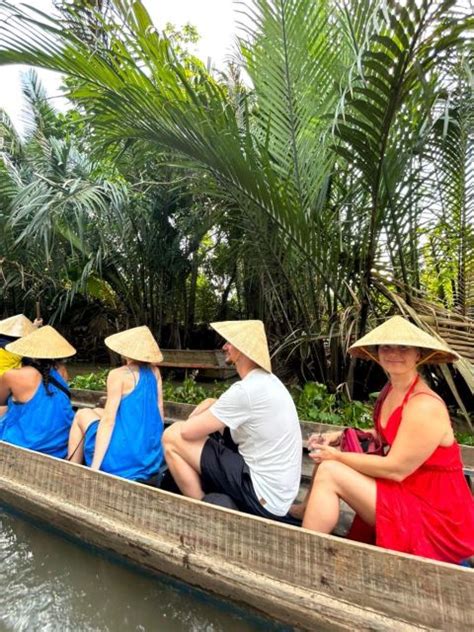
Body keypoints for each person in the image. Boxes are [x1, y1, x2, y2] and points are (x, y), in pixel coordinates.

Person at [300, 315, 474, 564]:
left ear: (419, 354)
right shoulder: (392, 389)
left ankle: (303, 553)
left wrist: (338, 456)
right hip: (407, 492)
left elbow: (395, 470)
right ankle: (305, 522)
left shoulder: (424, 405)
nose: (394, 353)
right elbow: (388, 433)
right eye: (386, 347)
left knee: (330, 470)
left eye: (404, 347)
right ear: (377, 353)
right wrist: (338, 436)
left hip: (435, 515)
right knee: (329, 461)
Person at [162, 320, 302, 522]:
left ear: (242, 351)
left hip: (263, 497)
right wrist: (211, 402)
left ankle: (202, 508)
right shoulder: (269, 382)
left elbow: (186, 432)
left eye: (229, 343)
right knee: (218, 431)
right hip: (280, 496)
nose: (224, 347)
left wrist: (204, 407)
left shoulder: (245, 390)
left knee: (171, 436)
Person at [68, 326, 165, 482]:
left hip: (122, 460)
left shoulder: (118, 374)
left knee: (81, 414)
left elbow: (108, 421)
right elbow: (159, 410)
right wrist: (155, 448)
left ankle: (71, 473)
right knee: (98, 411)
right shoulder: (155, 372)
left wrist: (95, 467)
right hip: (148, 456)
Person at [0, 325, 75, 458]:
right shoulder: (62, 371)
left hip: (29, 445)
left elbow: (1, 401)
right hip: (60, 445)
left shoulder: (13, 375)